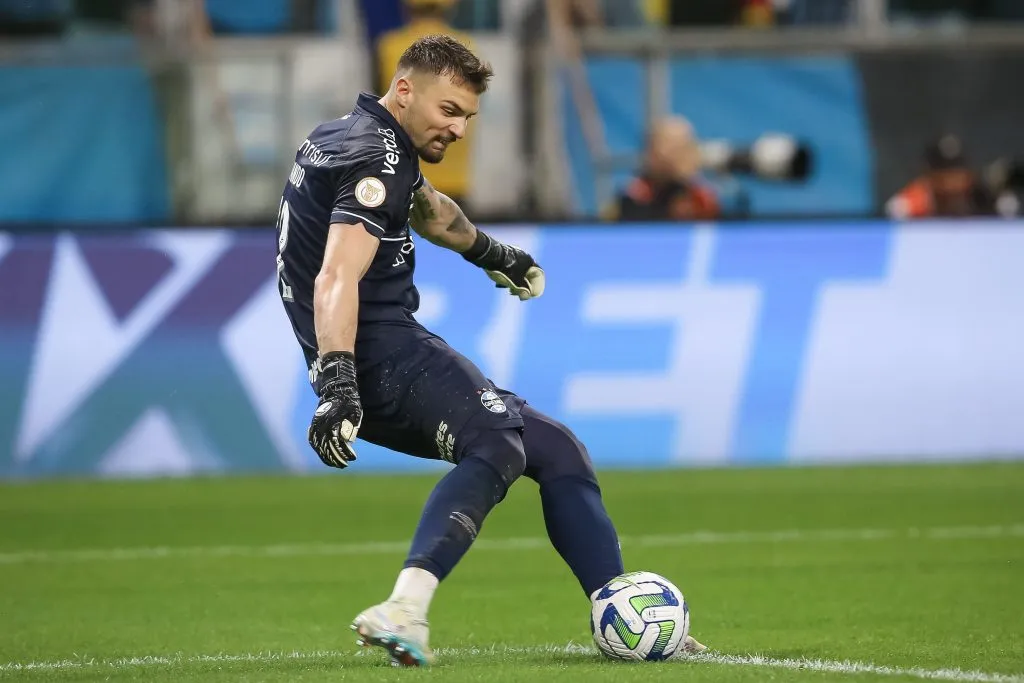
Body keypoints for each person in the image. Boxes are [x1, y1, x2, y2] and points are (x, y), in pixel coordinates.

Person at [274, 34, 707, 666]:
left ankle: (622, 611)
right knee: (498, 442)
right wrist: (337, 384)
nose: (458, 128)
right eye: (448, 110)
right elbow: (335, 277)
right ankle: (405, 608)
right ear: (404, 89)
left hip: (382, 348)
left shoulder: (354, 137)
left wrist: (490, 254)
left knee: (556, 450)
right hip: (378, 354)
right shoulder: (378, 160)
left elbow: (427, 210)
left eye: (468, 117)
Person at [377, 0, 475, 205]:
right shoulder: (467, 47)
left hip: (402, 178)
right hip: (454, 180)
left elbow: (378, 111)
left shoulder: (388, 47)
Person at [609, 115, 720, 222]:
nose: (681, 155)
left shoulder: (701, 199)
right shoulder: (634, 197)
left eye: (683, 148)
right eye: (672, 148)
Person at [885, 134, 993, 220]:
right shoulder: (912, 203)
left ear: (969, 175)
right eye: (943, 173)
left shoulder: (982, 198)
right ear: (928, 175)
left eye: (956, 172)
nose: (950, 181)